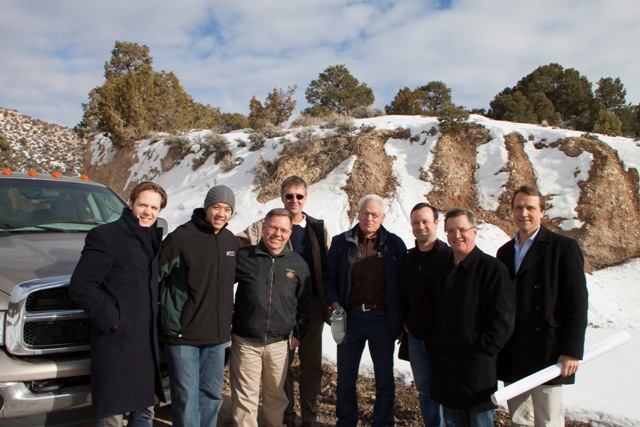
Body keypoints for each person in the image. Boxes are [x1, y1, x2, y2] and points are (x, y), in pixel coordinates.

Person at [69, 181, 168, 427]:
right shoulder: (105, 236)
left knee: (144, 410)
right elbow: (82, 286)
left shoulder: (153, 239)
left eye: (154, 208)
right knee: (112, 414)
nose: (148, 212)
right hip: (116, 342)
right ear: (130, 203)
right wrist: (115, 320)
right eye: (143, 205)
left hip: (145, 343)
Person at [237, 175, 329, 427]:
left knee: (311, 366)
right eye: (289, 195)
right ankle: (286, 417)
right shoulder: (265, 225)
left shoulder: (316, 228)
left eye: (299, 196)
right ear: (282, 197)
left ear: (306, 198)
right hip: (276, 306)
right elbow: (237, 243)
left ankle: (309, 417)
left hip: (310, 306)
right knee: (282, 366)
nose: (294, 200)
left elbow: (326, 266)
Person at [496, 186, 588, 427]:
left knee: (548, 420)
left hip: (548, 350)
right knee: (519, 418)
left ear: (542, 212)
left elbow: (577, 302)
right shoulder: (504, 252)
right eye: (518, 207)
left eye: (530, 208)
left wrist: (572, 351)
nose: (523, 213)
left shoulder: (563, 248)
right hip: (513, 349)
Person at [424, 208, 514, 427]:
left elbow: (502, 319)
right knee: (453, 421)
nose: (457, 236)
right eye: (451, 231)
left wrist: (480, 352)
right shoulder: (441, 270)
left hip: (477, 371)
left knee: (480, 422)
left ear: (474, 232)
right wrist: (435, 345)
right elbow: (431, 313)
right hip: (446, 368)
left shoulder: (492, 269)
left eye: (462, 230)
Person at [158, 185, 239, 427]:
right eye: (216, 207)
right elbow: (154, 277)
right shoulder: (181, 238)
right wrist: (169, 313)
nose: (221, 214)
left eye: (227, 209)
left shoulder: (230, 241)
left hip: (216, 336)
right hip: (183, 334)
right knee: (186, 397)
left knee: (212, 396)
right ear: (206, 208)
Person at [324, 194, 407, 427]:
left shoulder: (395, 244)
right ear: (357, 214)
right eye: (365, 213)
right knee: (346, 380)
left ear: (382, 218)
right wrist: (335, 304)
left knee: (384, 380)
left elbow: (404, 285)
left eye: (374, 214)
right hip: (351, 318)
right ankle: (346, 422)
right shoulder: (342, 242)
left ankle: (382, 423)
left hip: (383, 319)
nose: (369, 218)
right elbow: (328, 278)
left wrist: (401, 320)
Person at [231, 208, 312, 427]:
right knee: (245, 398)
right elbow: (219, 286)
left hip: (279, 343)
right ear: (264, 227)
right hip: (246, 340)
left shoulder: (297, 264)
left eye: (283, 229)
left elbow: (305, 302)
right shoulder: (245, 257)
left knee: (275, 397)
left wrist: (299, 333)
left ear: (289, 233)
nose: (278, 233)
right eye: (273, 227)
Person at [401, 203, 451, 427]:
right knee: (424, 391)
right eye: (415, 222)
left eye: (425, 222)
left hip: (441, 339)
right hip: (415, 337)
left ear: (437, 224)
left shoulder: (449, 258)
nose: (420, 227)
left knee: (446, 390)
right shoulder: (408, 258)